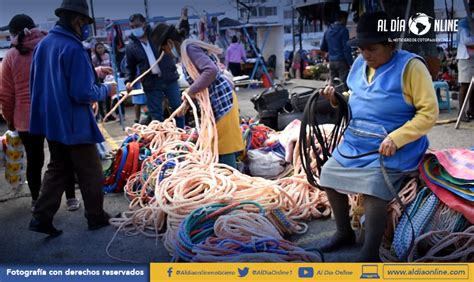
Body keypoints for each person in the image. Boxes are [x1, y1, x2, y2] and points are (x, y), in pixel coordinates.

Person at [318, 11, 438, 262]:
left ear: (390, 45)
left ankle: (369, 252)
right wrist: (337, 99)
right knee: (327, 174)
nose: (365, 54)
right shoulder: (362, 64)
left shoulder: (411, 67)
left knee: (374, 189)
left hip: (395, 145)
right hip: (358, 141)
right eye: (361, 49)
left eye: (371, 49)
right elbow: (358, 98)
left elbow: (428, 113)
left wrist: (398, 137)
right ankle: (344, 233)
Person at [28, 0, 113, 236]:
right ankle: (96, 216)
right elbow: (82, 92)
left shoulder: (45, 45)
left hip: (52, 121)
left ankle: (40, 218)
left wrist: (93, 73)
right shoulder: (74, 48)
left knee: (58, 168)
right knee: (91, 171)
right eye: (85, 23)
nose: (85, 27)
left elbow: (52, 79)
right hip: (74, 124)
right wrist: (107, 90)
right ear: (78, 21)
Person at [0, 14, 81, 213]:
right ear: (34, 26)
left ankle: (36, 201)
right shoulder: (50, 45)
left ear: (12, 33)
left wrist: (9, 119)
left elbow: (6, 94)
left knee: (34, 161)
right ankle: (71, 198)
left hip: (25, 117)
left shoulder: (10, 56)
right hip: (54, 113)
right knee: (62, 158)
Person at [151, 23, 244, 168]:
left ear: (169, 42)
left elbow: (210, 71)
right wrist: (187, 102)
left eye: (165, 49)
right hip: (217, 103)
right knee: (216, 146)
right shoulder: (186, 52)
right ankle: (227, 177)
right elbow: (201, 80)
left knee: (223, 147)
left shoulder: (189, 49)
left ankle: (232, 182)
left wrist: (191, 91)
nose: (167, 53)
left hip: (223, 101)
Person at [124, 14, 184, 128]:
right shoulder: (131, 46)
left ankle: (181, 133)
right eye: (132, 27)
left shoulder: (158, 35)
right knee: (156, 115)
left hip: (169, 77)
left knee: (178, 108)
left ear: (144, 24)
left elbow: (175, 35)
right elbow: (130, 67)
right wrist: (128, 81)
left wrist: (183, 20)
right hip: (151, 83)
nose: (135, 29)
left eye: (137, 25)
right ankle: (161, 139)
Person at [320, 11, 353, 90]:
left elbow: (323, 47)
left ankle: (334, 100)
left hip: (332, 61)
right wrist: (350, 63)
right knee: (344, 84)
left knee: (333, 85)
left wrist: (332, 49)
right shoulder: (343, 30)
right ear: (342, 18)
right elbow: (346, 48)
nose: (346, 21)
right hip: (342, 61)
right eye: (346, 19)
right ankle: (344, 100)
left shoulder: (327, 31)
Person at [92, 42, 116, 122]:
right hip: (99, 80)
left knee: (109, 98)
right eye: (98, 48)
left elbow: (111, 65)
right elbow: (93, 70)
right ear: (95, 49)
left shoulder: (107, 56)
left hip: (108, 78)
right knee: (101, 98)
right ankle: (103, 115)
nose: (100, 49)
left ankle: (109, 114)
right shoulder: (94, 58)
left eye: (101, 47)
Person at [456, 15, 474, 122]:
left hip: (472, 58)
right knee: (465, 84)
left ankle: (472, 110)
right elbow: (466, 40)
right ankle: (461, 113)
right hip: (465, 58)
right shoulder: (464, 23)